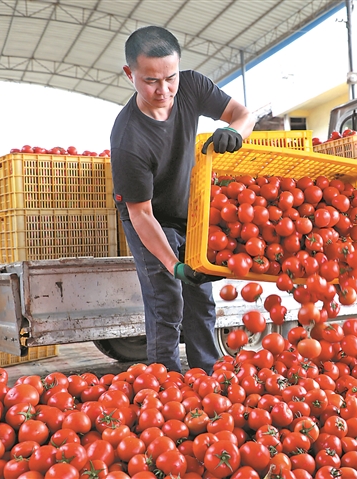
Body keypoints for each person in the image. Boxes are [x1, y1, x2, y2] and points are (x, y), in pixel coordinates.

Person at [110, 26, 255, 375]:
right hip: (149, 219)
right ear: (130, 74)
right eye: (150, 81)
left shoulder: (191, 85)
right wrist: (174, 264)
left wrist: (235, 131)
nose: (163, 90)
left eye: (169, 77)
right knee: (166, 301)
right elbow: (142, 215)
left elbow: (244, 114)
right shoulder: (128, 137)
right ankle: (166, 383)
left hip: (189, 210)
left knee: (201, 299)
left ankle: (208, 375)